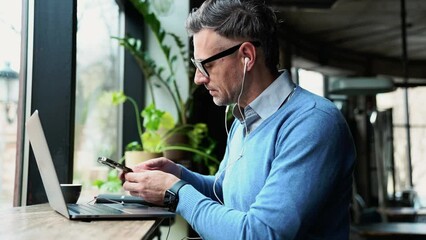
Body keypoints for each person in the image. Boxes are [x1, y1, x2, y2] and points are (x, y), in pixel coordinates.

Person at [123, 0, 356, 239]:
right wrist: (180, 175)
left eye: (206, 65)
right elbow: (226, 193)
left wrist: (176, 192)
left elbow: (261, 233)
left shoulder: (312, 122)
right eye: (196, 65)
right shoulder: (243, 120)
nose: (198, 79)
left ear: (246, 56)